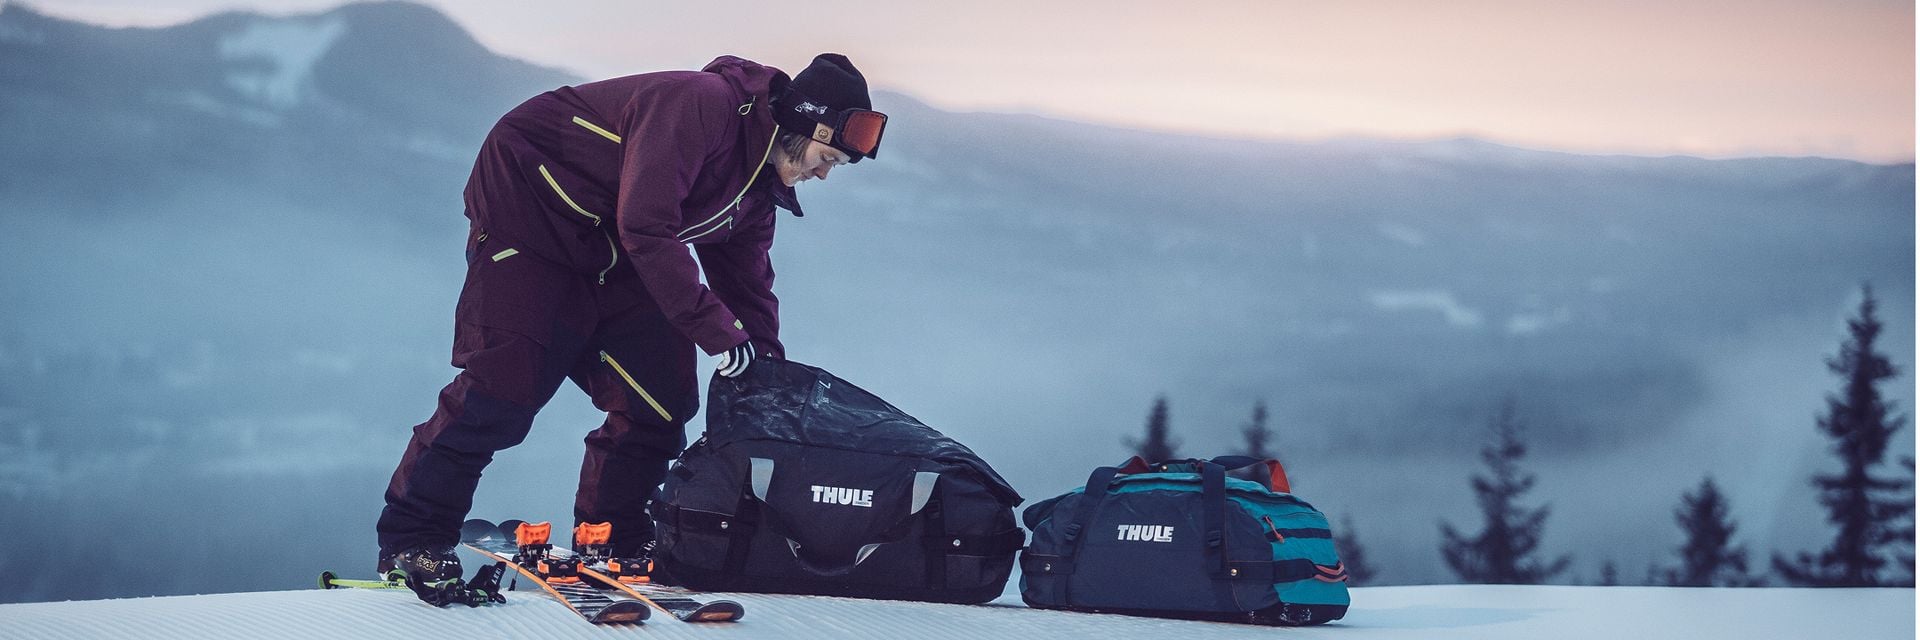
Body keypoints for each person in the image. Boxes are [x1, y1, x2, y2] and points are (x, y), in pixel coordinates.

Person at [374, 53, 887, 605]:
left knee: (660, 399)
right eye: (826, 156)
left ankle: (610, 539)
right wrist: (717, 335)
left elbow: (748, 289)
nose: (824, 173)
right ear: (803, 124)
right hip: (531, 217)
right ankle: (414, 539)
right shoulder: (701, 106)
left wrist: (769, 376)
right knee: (503, 388)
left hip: (616, 247)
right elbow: (646, 221)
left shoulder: (755, 194)